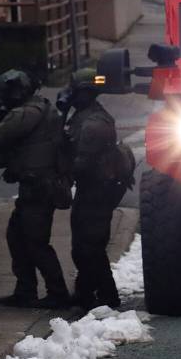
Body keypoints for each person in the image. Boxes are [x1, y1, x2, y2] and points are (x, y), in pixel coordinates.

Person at [0, 70, 72, 308]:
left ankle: (58, 293)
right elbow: (2, 126)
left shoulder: (27, 112)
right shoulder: (36, 107)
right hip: (35, 187)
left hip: (39, 187)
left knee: (36, 243)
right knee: (17, 237)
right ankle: (25, 290)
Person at [64, 69, 133, 310]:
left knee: (90, 246)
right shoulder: (84, 116)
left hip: (97, 191)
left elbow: (81, 163)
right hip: (91, 189)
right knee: (84, 246)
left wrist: (60, 171)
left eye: (74, 90)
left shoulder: (94, 123)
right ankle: (89, 293)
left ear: (84, 92)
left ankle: (102, 295)